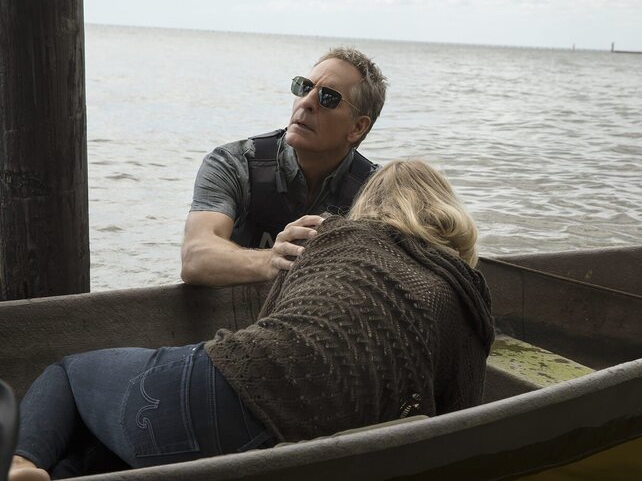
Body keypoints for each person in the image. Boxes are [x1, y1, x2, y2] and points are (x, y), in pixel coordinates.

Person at [9, 160, 495, 481]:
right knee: (115, 445)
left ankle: (21, 461)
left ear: (368, 206)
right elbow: (461, 425)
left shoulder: (330, 234)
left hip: (216, 397)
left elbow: (269, 325)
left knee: (70, 372)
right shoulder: (461, 293)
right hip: (304, 451)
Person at [181, 47, 387, 287]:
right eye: (304, 87)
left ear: (357, 128)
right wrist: (272, 261)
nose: (307, 102)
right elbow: (195, 256)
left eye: (328, 98)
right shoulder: (233, 164)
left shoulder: (378, 192)